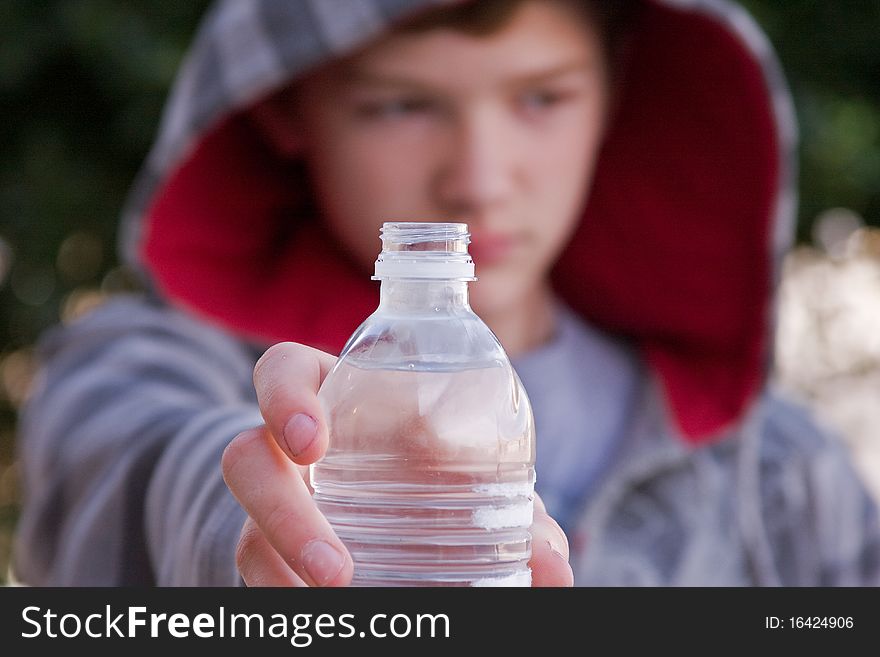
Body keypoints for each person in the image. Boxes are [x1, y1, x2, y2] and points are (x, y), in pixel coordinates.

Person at [12, 0, 880, 587]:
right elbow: (132, 460)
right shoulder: (139, 362)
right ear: (284, 110)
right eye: (400, 106)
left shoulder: (781, 475)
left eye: (541, 97)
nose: (477, 180)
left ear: (615, 92)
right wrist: (262, 511)